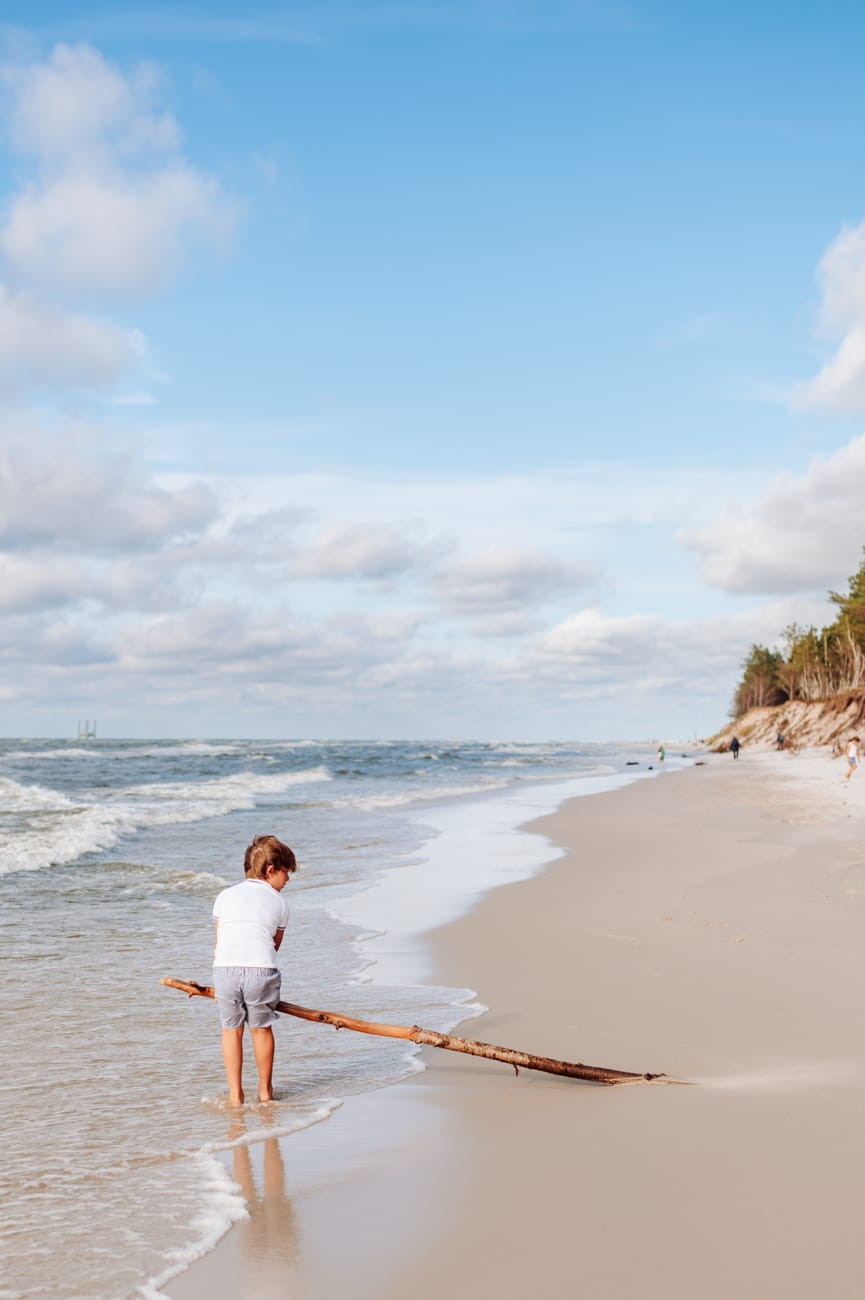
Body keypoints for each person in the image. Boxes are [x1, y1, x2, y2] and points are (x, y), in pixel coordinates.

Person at [212, 835, 297, 1106]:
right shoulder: (279, 902)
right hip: (260, 970)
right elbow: (274, 945)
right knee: (261, 1030)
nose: (288, 879)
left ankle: (235, 1096)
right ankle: (264, 1092)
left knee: (231, 1030)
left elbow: (219, 941)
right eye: (286, 872)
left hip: (225, 969)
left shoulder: (224, 896)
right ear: (271, 870)